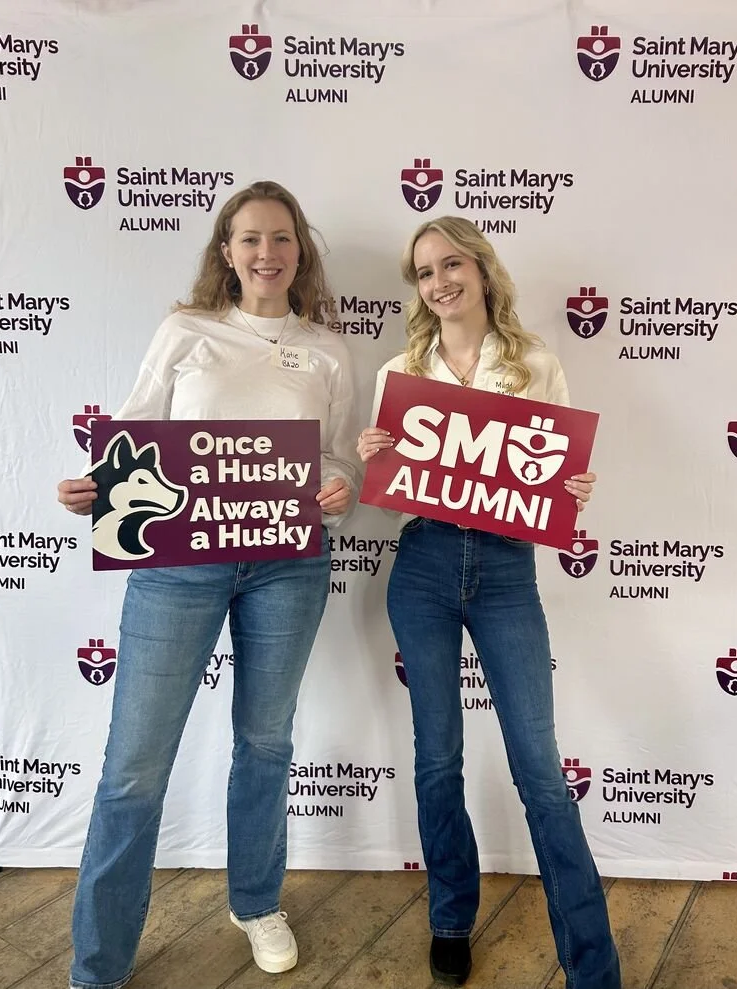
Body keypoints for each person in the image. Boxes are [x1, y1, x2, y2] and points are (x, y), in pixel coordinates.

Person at [58, 180, 358, 989]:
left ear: (302, 251)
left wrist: (339, 486)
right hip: (177, 561)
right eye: (251, 238)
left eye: (283, 238)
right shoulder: (186, 330)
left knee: (266, 743)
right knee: (134, 764)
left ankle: (256, 901)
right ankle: (99, 962)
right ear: (226, 251)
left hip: (289, 563)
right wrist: (93, 483)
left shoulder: (327, 348)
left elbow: (338, 457)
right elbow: (135, 426)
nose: (268, 253)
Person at [358, 217, 620, 988]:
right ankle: (449, 919)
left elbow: (551, 482)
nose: (438, 280)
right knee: (437, 758)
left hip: (508, 569)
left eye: (450, 263)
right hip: (425, 562)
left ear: (479, 266)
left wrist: (573, 487)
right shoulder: (399, 370)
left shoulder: (534, 361)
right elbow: (386, 496)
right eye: (423, 271)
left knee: (540, 768)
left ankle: (592, 963)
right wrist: (375, 456)